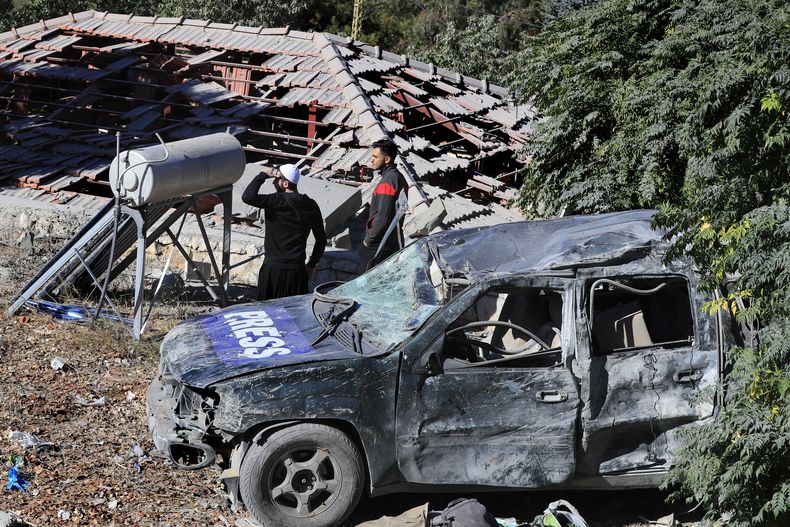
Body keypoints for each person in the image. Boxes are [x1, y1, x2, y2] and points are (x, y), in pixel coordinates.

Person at [242, 164, 326, 300]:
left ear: (285, 183)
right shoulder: (311, 205)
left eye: (277, 179)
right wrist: (311, 265)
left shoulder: (276, 201)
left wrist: (263, 175)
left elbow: (248, 197)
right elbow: (321, 239)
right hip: (297, 272)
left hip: (272, 270)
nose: (274, 182)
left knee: (267, 310)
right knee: (293, 311)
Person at [357, 139, 408, 273]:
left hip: (380, 244)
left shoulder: (388, 181)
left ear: (387, 159)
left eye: (375, 157)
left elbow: (383, 217)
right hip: (389, 241)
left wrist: (368, 241)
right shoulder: (397, 177)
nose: (372, 160)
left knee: (367, 281)